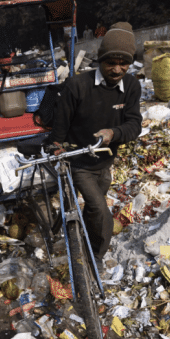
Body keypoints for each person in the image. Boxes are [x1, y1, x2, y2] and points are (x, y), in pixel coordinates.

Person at [50, 22, 143, 266]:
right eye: (110, 62)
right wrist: (57, 145)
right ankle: (95, 259)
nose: (117, 69)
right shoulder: (78, 85)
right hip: (79, 161)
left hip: (105, 161)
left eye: (124, 63)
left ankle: (84, 237)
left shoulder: (131, 86)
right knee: (102, 213)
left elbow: (134, 125)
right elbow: (60, 125)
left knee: (94, 209)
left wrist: (114, 132)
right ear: (100, 60)